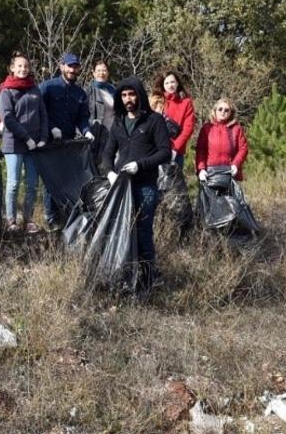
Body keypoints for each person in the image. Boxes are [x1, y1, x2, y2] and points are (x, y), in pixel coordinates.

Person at [102, 77, 172, 296]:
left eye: (131, 94)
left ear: (139, 95)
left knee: (142, 232)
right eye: (123, 95)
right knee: (120, 231)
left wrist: (140, 165)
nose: (128, 99)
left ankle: (148, 279)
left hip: (145, 186)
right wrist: (109, 172)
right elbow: (107, 152)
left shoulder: (154, 121)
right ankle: (124, 277)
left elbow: (165, 152)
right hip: (121, 188)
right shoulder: (118, 122)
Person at [40, 52, 94, 226]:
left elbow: (82, 117)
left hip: (69, 143)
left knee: (68, 179)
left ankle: (66, 215)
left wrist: (86, 131)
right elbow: (39, 112)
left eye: (75, 66)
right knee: (51, 180)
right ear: (62, 66)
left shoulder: (80, 93)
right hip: (48, 143)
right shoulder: (47, 87)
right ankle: (51, 218)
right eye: (70, 66)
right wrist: (50, 128)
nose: (72, 70)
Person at [0, 52, 47, 234]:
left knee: (32, 184)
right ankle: (11, 221)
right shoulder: (6, 90)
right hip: (14, 144)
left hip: (34, 145)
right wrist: (26, 138)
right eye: (19, 66)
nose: (23, 69)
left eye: (26, 66)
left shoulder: (35, 89)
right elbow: (8, 118)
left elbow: (43, 114)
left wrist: (43, 138)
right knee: (13, 183)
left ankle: (28, 220)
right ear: (12, 68)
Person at [195, 98, 249, 182]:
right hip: (210, 173)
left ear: (230, 113)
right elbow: (200, 150)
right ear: (215, 111)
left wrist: (236, 164)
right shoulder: (206, 128)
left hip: (230, 172)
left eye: (226, 110)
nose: (223, 112)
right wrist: (201, 169)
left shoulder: (236, 129)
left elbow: (243, 148)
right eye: (220, 109)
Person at [154, 70, 195, 166]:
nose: (170, 85)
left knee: (174, 175)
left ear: (177, 83)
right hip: (157, 149)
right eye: (167, 83)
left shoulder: (186, 102)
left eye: (172, 82)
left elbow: (188, 128)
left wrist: (175, 148)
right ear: (163, 85)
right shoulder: (157, 101)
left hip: (176, 151)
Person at [85, 60, 117, 130]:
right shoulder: (88, 91)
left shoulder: (113, 90)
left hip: (113, 130)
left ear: (108, 73)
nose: (101, 73)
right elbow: (83, 115)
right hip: (96, 131)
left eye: (104, 70)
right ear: (93, 73)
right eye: (98, 71)